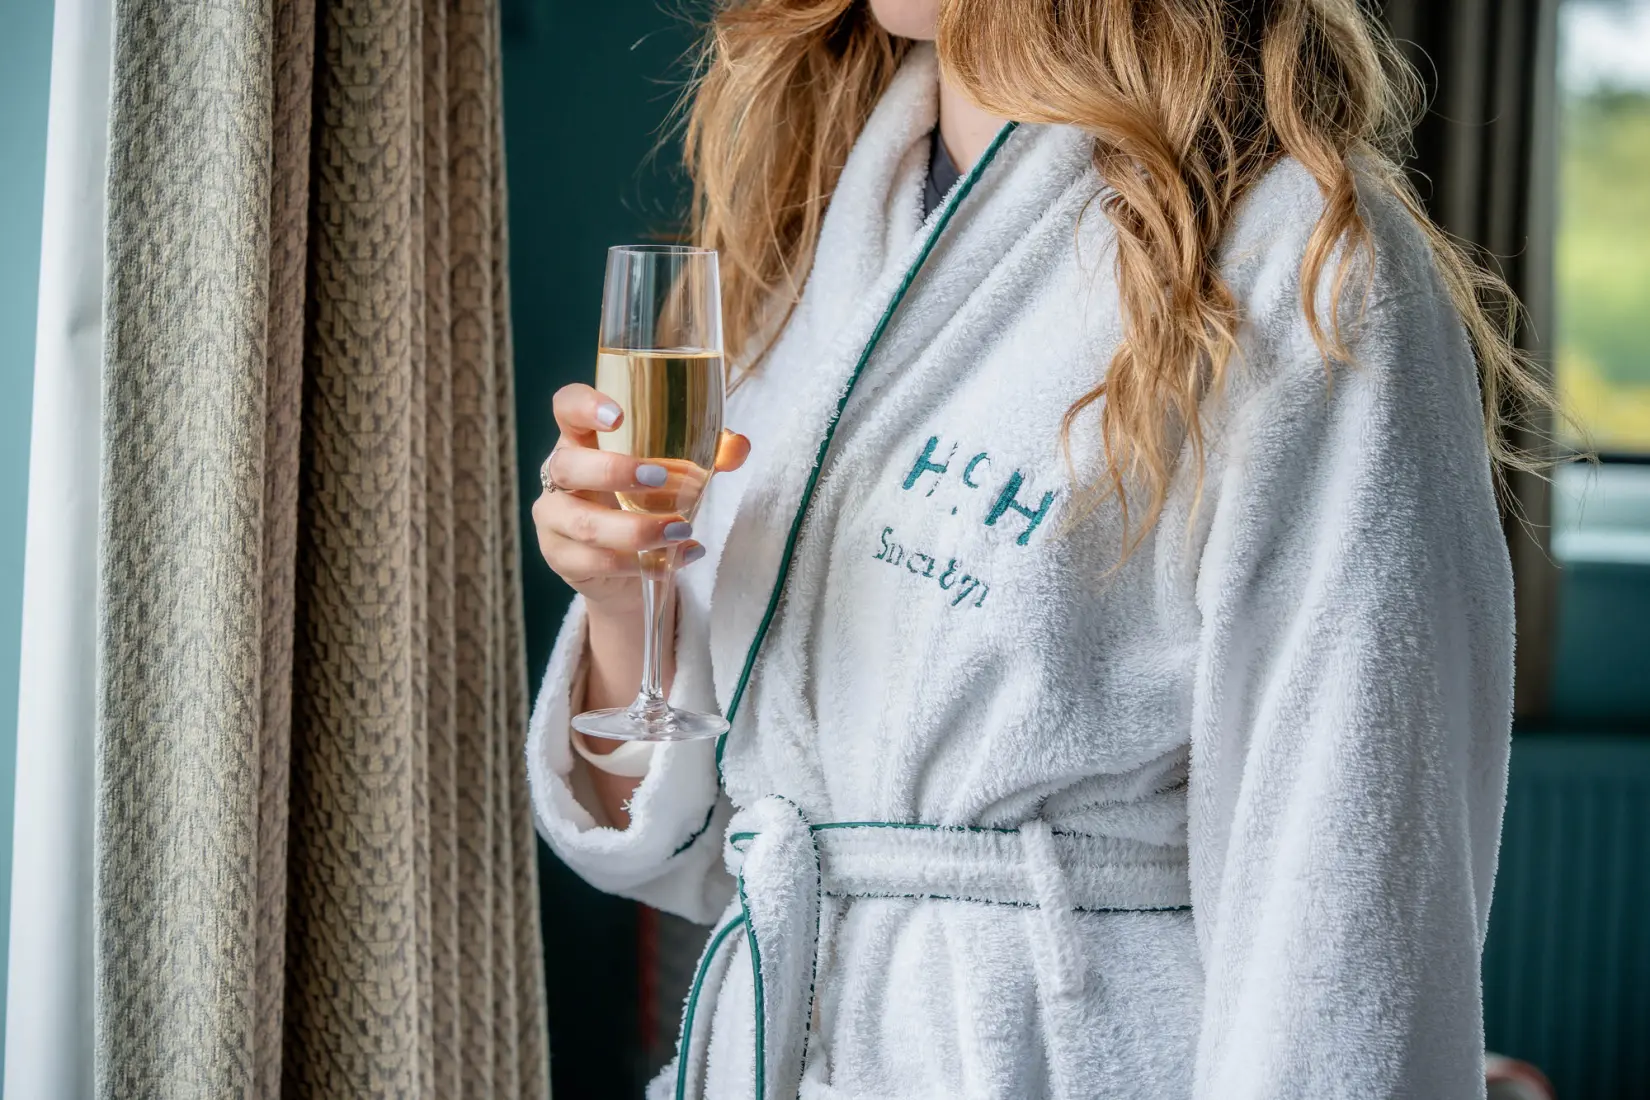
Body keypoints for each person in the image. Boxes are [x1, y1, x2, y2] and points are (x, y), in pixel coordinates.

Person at [526, 1, 1537, 1096]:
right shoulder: (803, 237)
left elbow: (1346, 904)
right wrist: (624, 598)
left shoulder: (1305, 265)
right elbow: (695, 834)